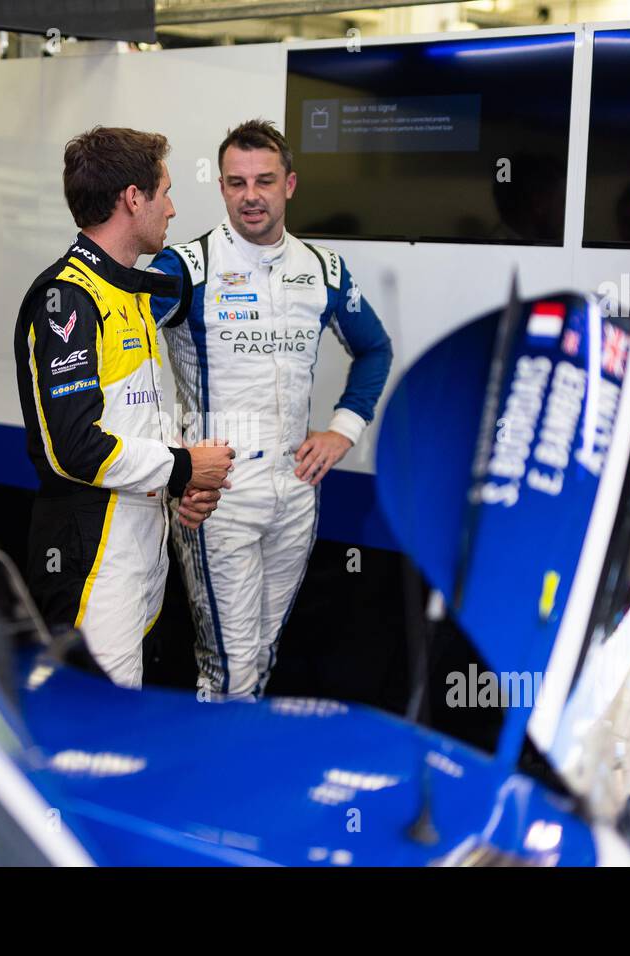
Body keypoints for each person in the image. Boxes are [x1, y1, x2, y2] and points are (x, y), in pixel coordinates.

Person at [149, 119, 393, 700]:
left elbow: (375, 348)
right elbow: (121, 360)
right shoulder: (185, 267)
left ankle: (239, 776)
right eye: (236, 183)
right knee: (227, 669)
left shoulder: (324, 269)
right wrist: (171, 455)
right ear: (222, 187)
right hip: (219, 490)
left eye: (263, 180)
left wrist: (342, 430)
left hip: (295, 485)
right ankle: (218, 786)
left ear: (290, 184)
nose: (250, 196)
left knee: (261, 656)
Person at [14, 127, 235, 687]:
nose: (173, 207)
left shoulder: (129, 290)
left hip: (140, 537)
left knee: (120, 721)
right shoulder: (67, 298)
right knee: (93, 732)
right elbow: (77, 449)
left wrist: (177, 481)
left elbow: (131, 419)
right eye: (165, 191)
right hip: (90, 549)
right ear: (133, 199)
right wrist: (186, 467)